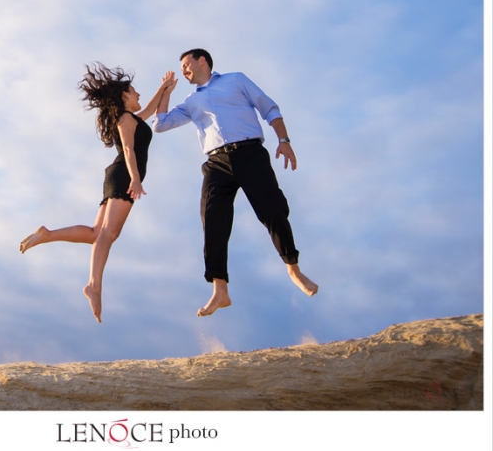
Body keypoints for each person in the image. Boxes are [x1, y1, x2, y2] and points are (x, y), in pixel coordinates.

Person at [153, 48, 318, 317]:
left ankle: (293, 269)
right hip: (216, 163)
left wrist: (284, 141)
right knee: (212, 219)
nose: (183, 70)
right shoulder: (189, 102)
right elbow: (160, 125)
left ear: (201, 60)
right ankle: (220, 290)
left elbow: (269, 108)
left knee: (274, 210)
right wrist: (166, 93)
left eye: (186, 64)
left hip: (250, 153)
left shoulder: (236, 80)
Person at [20, 63, 177, 323]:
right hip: (124, 175)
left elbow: (151, 110)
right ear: (124, 96)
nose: (138, 95)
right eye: (134, 91)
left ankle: (46, 235)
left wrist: (165, 88)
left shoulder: (133, 118)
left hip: (117, 176)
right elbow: (128, 150)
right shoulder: (126, 119)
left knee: (97, 234)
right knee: (108, 234)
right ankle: (93, 285)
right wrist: (136, 179)